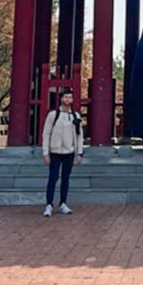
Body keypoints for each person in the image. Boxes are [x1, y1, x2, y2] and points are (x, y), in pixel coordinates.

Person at [41, 88, 84, 216]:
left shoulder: (75, 116)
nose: (68, 100)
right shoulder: (53, 115)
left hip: (69, 152)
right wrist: (45, 152)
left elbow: (79, 135)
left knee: (66, 178)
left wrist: (79, 152)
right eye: (65, 97)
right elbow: (46, 133)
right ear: (61, 99)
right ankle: (49, 204)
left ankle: (63, 203)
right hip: (55, 152)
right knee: (53, 178)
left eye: (70, 97)